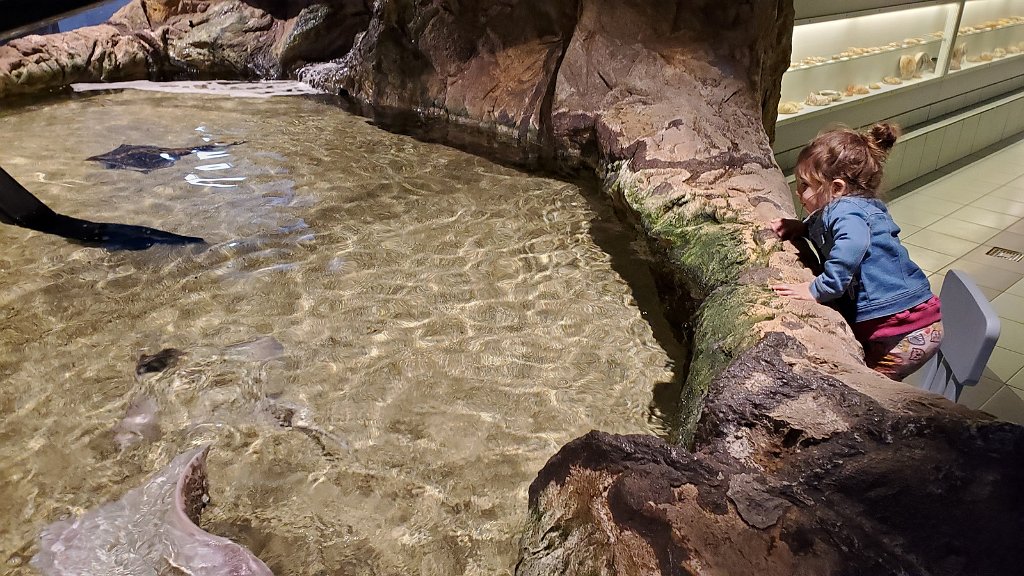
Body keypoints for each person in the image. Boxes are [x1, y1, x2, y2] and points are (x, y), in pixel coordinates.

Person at [770, 123, 942, 381]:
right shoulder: (853, 205)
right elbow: (829, 229)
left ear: (837, 188)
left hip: (906, 329)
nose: (798, 192)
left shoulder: (845, 209)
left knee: (865, 385)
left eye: (805, 185)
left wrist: (818, 288)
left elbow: (852, 243)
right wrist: (802, 229)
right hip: (910, 322)